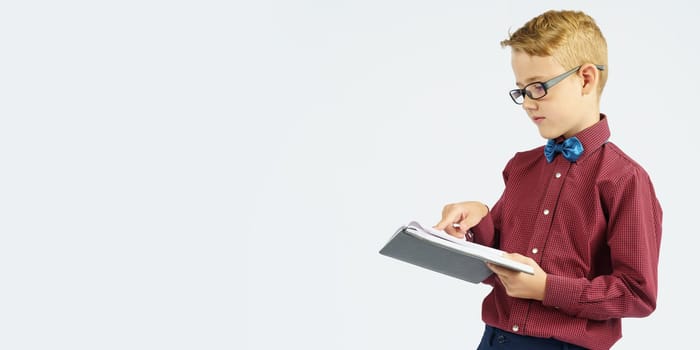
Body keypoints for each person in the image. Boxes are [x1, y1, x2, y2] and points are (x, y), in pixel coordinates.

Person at [434, 9, 663, 350]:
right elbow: (500, 259)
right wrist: (478, 218)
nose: (527, 103)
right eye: (521, 90)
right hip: (494, 339)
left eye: (538, 87)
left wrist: (546, 288)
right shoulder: (522, 168)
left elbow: (636, 294)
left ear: (586, 79)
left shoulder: (624, 179)